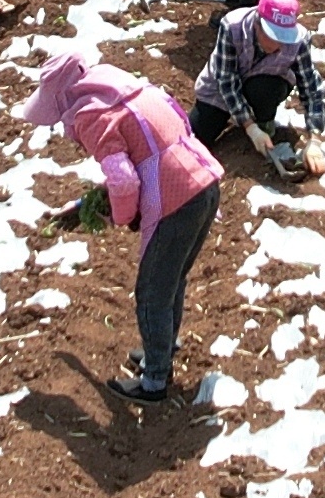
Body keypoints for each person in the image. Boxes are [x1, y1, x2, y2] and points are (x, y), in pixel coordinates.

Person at [31, 47, 218, 406]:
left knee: (151, 292)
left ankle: (154, 382)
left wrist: (119, 216)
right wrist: (88, 204)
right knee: (171, 278)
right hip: (204, 184)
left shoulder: (92, 115)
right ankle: (162, 346)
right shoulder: (132, 94)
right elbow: (147, 154)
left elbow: (123, 180)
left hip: (175, 199)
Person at [187, 0, 325, 176]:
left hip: (264, 84)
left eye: (282, 38)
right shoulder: (232, 26)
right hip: (219, 91)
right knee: (195, 140)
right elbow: (226, 80)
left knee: (264, 90)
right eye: (271, 36)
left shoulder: (299, 41)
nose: (277, 44)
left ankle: (264, 123)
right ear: (257, 23)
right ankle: (249, 124)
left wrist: (315, 140)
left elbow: (311, 88)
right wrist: (249, 127)